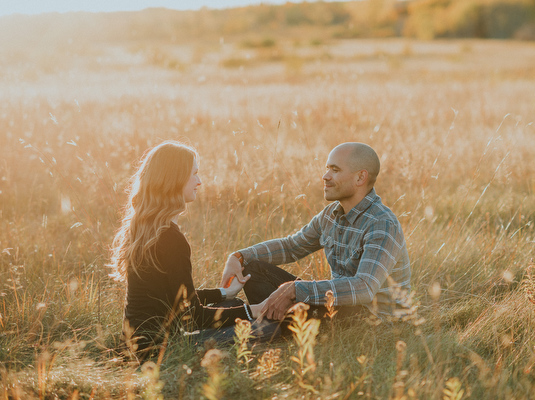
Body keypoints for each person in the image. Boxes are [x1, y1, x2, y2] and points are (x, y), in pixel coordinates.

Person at [109, 140, 267, 360]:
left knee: (233, 304)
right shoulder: (170, 238)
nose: (199, 181)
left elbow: (171, 300)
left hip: (138, 343)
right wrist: (255, 310)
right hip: (163, 349)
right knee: (268, 326)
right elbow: (192, 315)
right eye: (194, 174)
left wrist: (223, 293)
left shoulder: (146, 229)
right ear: (174, 180)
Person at [221, 142, 410, 323]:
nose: (325, 176)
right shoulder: (330, 215)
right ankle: (257, 319)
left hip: (372, 319)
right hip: (338, 307)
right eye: (327, 169)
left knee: (283, 312)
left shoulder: (382, 224)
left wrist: (296, 289)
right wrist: (239, 257)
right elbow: (291, 247)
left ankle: (248, 323)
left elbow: (364, 288)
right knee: (255, 269)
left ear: (360, 177)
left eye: (335, 170)